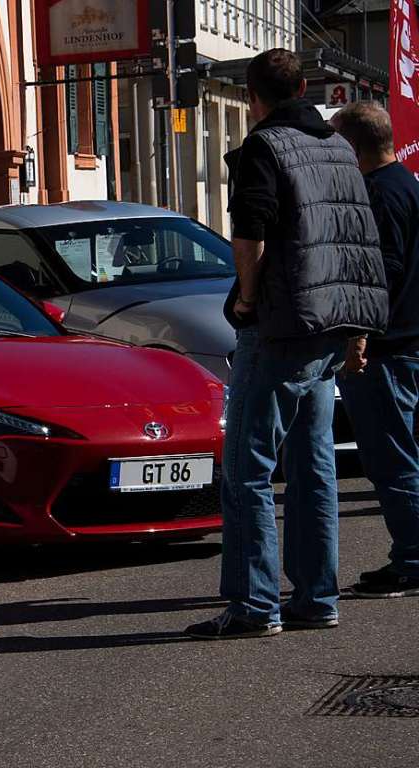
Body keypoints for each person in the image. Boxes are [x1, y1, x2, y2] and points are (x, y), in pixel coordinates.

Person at [185, 49, 389, 640]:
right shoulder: (338, 150)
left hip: (282, 323)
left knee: (248, 467)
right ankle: (317, 595)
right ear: (304, 87)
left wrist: (246, 298)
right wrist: (355, 329)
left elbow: (248, 230)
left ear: (253, 97)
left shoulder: (264, 147)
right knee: (313, 463)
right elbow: (356, 241)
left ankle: (254, 605)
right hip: (331, 322)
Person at [331, 102, 419, 599]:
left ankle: (412, 559)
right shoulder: (408, 184)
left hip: (387, 348)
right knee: (402, 453)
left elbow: (380, 272)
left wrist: (357, 334)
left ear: (352, 145)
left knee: (391, 458)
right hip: (408, 341)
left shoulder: (378, 195)